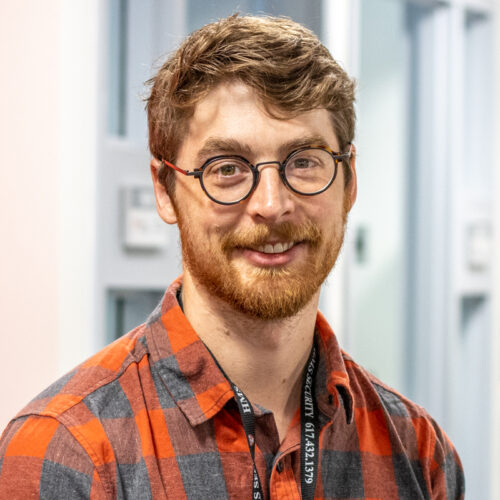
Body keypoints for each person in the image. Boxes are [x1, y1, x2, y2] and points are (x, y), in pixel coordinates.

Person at [0, 14, 464, 499]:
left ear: (350, 183)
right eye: (227, 169)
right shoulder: (70, 452)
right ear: (165, 190)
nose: (271, 204)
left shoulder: (419, 452)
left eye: (304, 162)